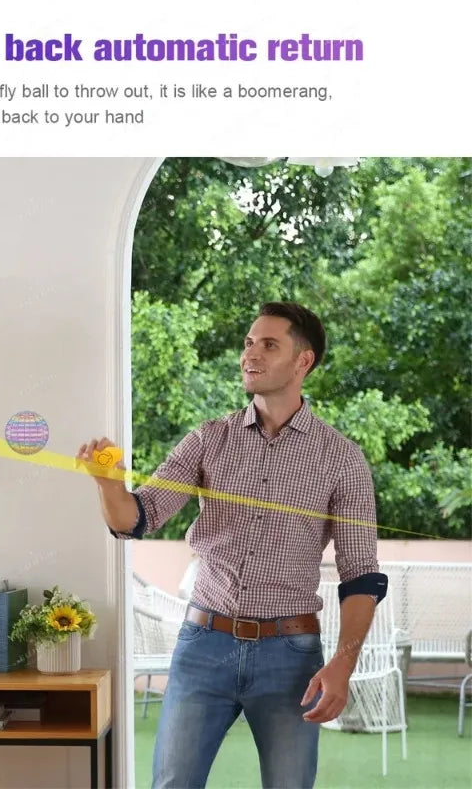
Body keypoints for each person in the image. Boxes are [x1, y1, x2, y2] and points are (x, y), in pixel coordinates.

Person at [77, 302, 388, 789]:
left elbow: (361, 575)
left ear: (303, 361)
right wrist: (107, 485)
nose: (250, 355)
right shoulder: (208, 439)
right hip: (204, 647)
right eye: (248, 343)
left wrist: (343, 663)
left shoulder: (341, 458)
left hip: (291, 656)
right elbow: (137, 519)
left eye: (268, 345)